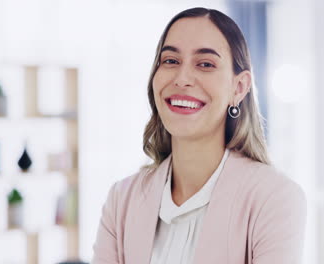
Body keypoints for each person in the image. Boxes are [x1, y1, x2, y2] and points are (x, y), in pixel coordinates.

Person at [92, 7, 306, 264]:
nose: (182, 79)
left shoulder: (273, 198)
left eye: (205, 64)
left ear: (238, 87)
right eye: (170, 61)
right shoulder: (122, 200)